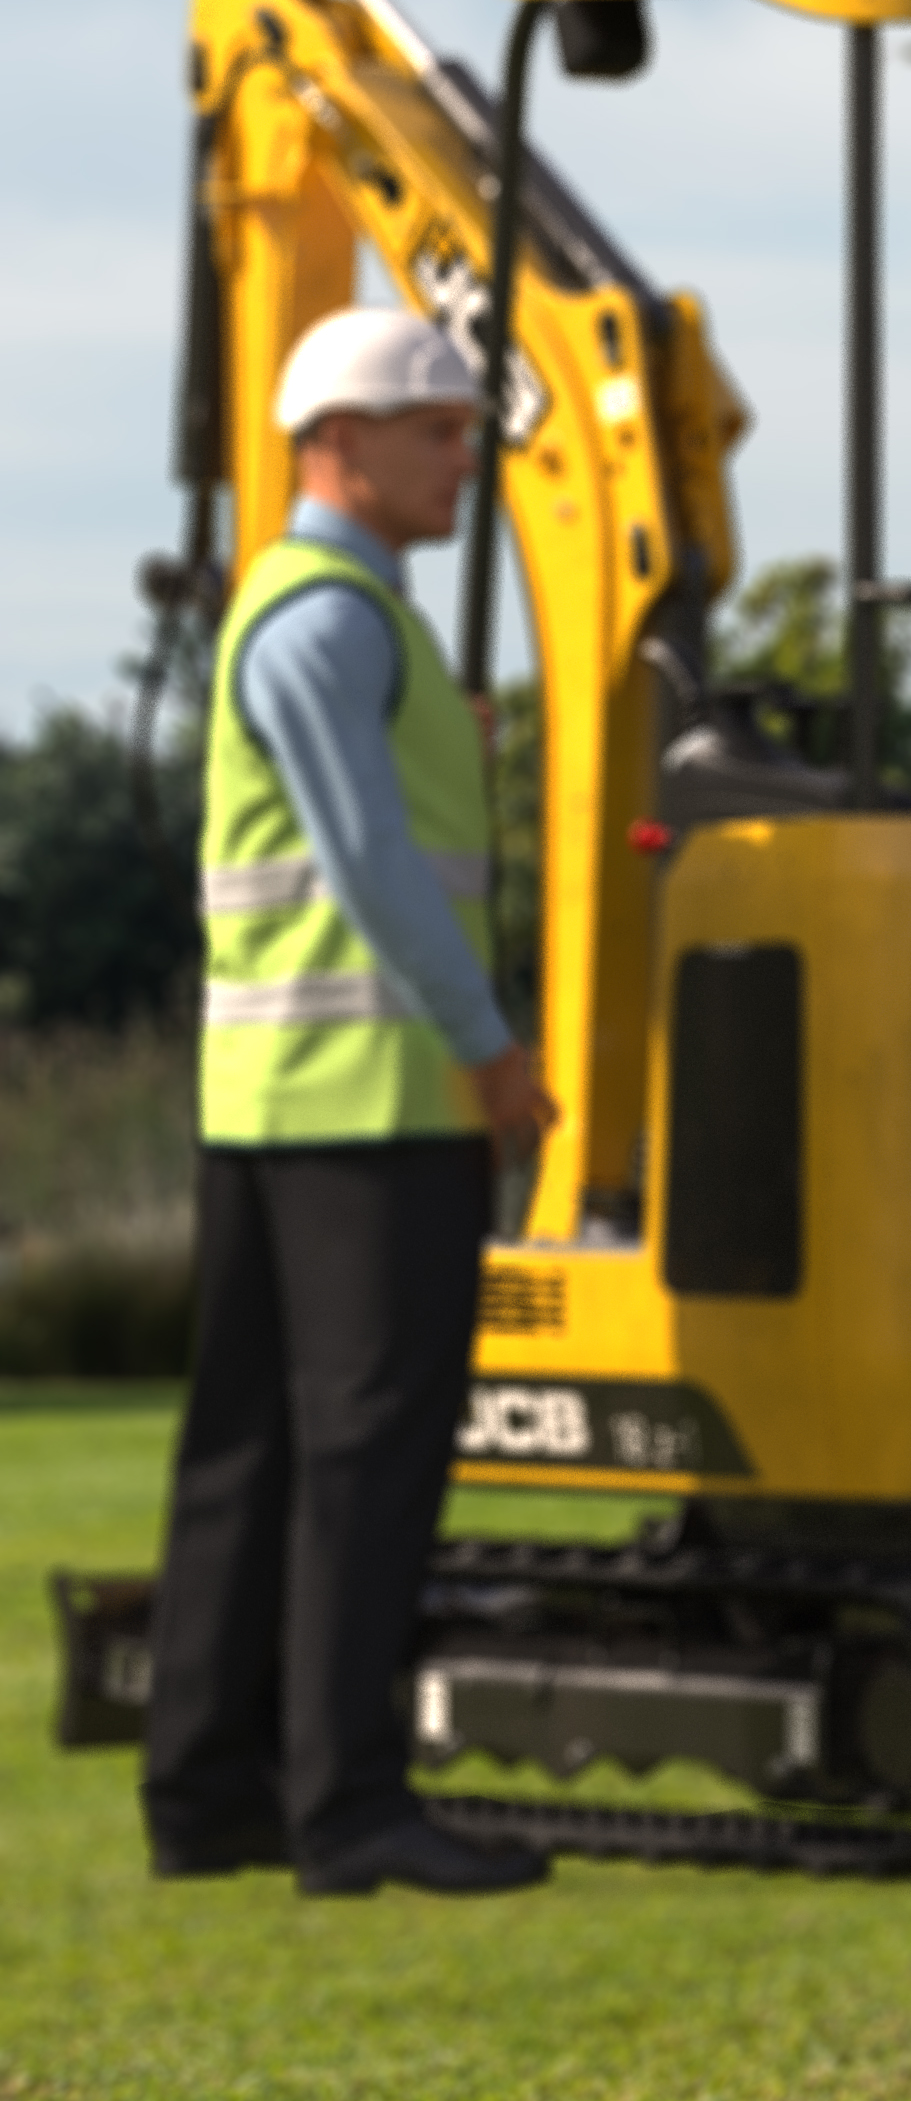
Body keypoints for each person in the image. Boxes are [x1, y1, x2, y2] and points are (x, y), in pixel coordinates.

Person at [142, 303, 558, 1896]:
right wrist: (489, 1043)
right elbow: (376, 871)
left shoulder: (332, 616)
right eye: (438, 428)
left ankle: (209, 1795)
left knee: (244, 1449)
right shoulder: (333, 619)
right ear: (337, 444)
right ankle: (351, 1808)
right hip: (378, 1103)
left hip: (272, 1100)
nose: (467, 456)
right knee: (367, 1458)